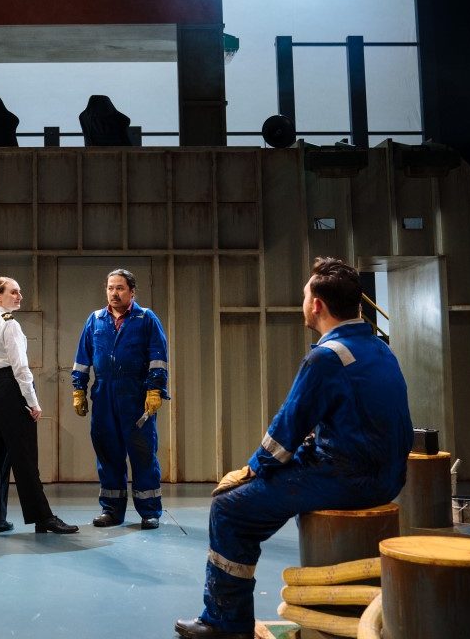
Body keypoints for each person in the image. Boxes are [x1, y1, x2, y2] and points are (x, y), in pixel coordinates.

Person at [174, 257, 412, 638]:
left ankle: (224, 623)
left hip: (350, 478)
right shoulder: (379, 348)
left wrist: (252, 469)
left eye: (305, 296)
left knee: (230, 509)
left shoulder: (326, 357)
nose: (303, 303)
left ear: (316, 304)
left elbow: (284, 434)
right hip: (389, 475)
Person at [0, 277, 78, 535]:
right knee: (25, 457)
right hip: (10, 390)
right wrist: (32, 401)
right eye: (13, 292)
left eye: (19, 292)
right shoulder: (9, 324)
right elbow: (21, 368)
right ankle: (43, 518)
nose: (19, 296)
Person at [71, 268, 170, 530]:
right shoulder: (95, 320)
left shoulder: (145, 318)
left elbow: (158, 356)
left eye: (120, 288)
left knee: (142, 454)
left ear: (132, 291)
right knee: (108, 454)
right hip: (104, 397)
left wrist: (155, 389)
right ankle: (111, 510)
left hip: (136, 397)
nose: (114, 293)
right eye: (110, 288)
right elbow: (82, 359)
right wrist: (78, 389)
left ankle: (150, 511)